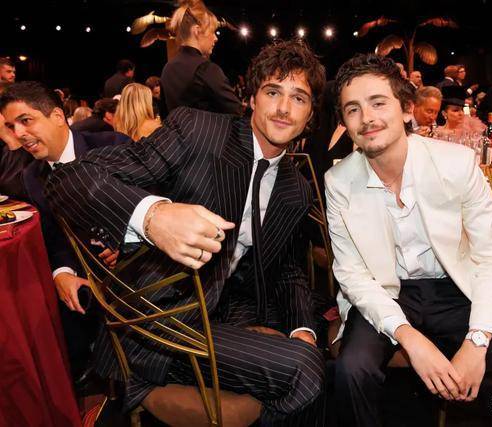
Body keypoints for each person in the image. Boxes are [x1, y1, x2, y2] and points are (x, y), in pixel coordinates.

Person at [46, 39, 326, 424]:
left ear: (310, 114)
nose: (283, 108)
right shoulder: (198, 130)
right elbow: (69, 179)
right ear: (251, 99)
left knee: (310, 357)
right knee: (305, 372)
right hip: (161, 322)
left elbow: (288, 269)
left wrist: (303, 327)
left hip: (229, 311)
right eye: (273, 92)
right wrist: (153, 216)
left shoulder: (296, 189)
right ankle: (138, 386)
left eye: (299, 98)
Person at [326, 53, 492, 427]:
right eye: (353, 109)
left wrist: (476, 341)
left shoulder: (456, 163)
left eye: (378, 103)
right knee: (351, 371)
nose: (366, 117)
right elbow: (352, 274)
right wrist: (409, 338)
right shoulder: (339, 181)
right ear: (345, 122)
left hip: (455, 289)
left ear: (406, 109)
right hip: (386, 291)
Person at [0, 81, 127, 383]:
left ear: (58, 116)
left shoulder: (112, 145)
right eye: (11, 126)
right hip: (86, 274)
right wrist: (62, 272)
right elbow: (54, 235)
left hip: (140, 271)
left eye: (26, 120)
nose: (19, 133)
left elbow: (159, 203)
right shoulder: (33, 175)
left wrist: (129, 243)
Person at [160, 0, 241, 117]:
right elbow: (237, 112)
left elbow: (165, 116)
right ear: (197, 31)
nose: (215, 38)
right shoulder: (205, 69)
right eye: (212, 32)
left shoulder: (167, 68)